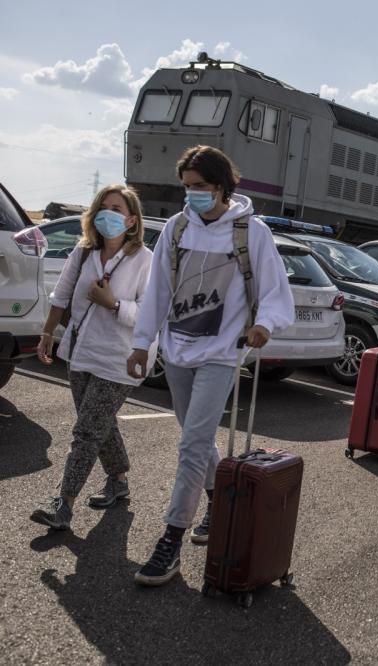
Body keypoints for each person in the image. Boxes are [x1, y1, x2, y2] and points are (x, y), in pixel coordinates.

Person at [127, 146, 295, 587]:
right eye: (186, 186)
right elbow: (159, 291)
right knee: (194, 437)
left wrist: (264, 325)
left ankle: (171, 541)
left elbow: (277, 291)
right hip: (177, 350)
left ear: (221, 186)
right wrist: (142, 343)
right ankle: (219, 496)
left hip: (222, 353)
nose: (192, 194)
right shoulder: (178, 228)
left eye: (199, 187)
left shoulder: (250, 231)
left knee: (192, 445)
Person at [29, 186, 155, 531]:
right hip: (80, 352)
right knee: (100, 423)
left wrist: (113, 304)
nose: (107, 213)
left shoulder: (146, 260)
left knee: (86, 431)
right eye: (102, 207)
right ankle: (118, 479)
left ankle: (63, 505)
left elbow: (152, 314)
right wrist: (47, 334)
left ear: (131, 220)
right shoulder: (84, 252)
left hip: (120, 359)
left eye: (116, 208)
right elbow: (62, 295)